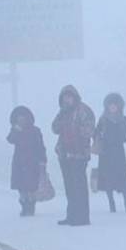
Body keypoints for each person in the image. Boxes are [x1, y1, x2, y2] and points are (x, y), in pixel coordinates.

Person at [52, 84, 96, 226]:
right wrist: (62, 118)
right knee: (69, 187)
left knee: (79, 187)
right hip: (64, 154)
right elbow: (54, 128)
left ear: (75, 97)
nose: (67, 100)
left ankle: (82, 218)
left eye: (69, 97)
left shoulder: (84, 111)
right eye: (65, 97)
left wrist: (75, 130)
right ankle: (71, 216)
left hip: (79, 154)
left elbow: (89, 131)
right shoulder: (63, 112)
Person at [94, 92, 126, 213]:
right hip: (106, 153)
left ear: (119, 106)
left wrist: (117, 134)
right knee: (108, 180)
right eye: (110, 105)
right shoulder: (102, 120)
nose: (113, 107)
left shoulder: (124, 120)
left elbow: (125, 137)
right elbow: (95, 134)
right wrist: (100, 138)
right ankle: (112, 206)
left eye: (115, 105)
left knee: (122, 179)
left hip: (118, 152)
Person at [6, 105, 46, 216]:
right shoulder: (16, 130)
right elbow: (10, 139)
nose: (21, 120)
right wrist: (16, 130)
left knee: (31, 187)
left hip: (32, 163)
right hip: (19, 162)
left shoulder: (35, 131)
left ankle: (31, 207)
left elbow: (41, 147)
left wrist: (43, 160)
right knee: (21, 187)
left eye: (23, 117)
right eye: (19, 118)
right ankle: (24, 207)